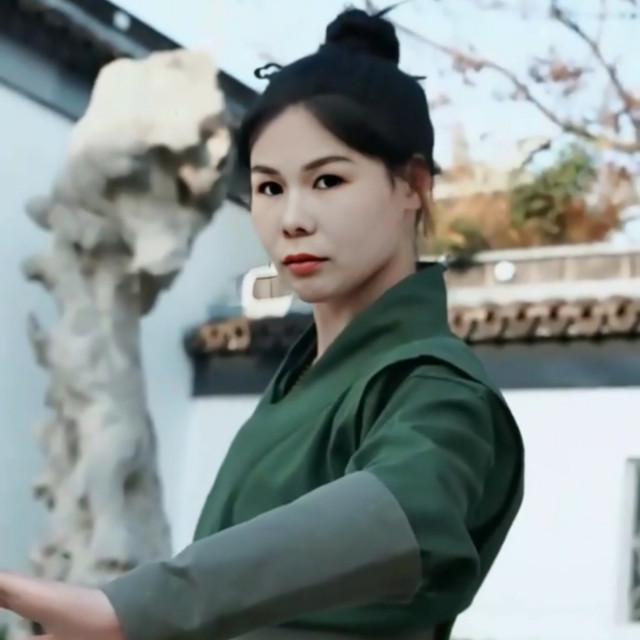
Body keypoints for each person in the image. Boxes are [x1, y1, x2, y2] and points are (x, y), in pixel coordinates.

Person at [0, 8, 524, 640]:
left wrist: (131, 609)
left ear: (413, 185)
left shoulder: (434, 389)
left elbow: (410, 512)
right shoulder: (305, 376)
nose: (292, 219)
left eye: (328, 180)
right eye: (269, 188)